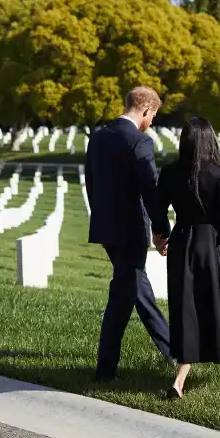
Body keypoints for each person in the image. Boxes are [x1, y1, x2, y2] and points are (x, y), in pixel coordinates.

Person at [85, 86, 174, 382]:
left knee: (138, 290)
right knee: (121, 299)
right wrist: (163, 230)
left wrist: (100, 219)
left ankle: (172, 350)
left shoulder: (98, 138)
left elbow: (91, 184)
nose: (152, 123)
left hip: (106, 229)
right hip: (131, 231)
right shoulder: (139, 142)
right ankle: (105, 370)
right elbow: (151, 191)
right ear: (146, 109)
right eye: (153, 116)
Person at [156, 116, 220, 398]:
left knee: (186, 309)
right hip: (212, 247)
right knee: (217, 305)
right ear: (211, 140)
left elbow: (158, 210)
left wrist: (160, 237)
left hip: (182, 243)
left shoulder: (170, 172)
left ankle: (180, 380)